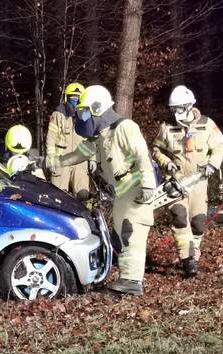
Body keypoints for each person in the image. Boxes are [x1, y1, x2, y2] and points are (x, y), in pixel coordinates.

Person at [44, 85, 155, 296]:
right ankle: (128, 278)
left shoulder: (124, 128)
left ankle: (132, 281)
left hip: (135, 191)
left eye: (85, 111)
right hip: (122, 192)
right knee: (120, 234)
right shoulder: (100, 136)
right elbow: (78, 155)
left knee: (131, 233)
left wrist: (148, 184)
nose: (82, 116)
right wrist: (54, 161)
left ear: (97, 108)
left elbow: (142, 155)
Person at [151, 85, 223, 277]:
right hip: (176, 182)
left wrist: (213, 164)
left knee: (198, 222)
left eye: (178, 108)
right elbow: (156, 150)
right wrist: (167, 163)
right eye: (172, 108)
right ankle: (188, 259)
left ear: (188, 106)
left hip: (199, 181)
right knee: (179, 217)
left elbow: (221, 146)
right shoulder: (167, 127)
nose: (174, 112)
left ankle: (194, 254)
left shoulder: (206, 124)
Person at [46, 82, 90, 198]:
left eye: (78, 96)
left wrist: (93, 160)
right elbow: (51, 138)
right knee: (60, 196)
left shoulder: (86, 116)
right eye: (72, 96)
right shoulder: (58, 114)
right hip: (62, 159)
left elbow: (91, 140)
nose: (75, 99)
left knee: (83, 194)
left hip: (80, 159)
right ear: (67, 97)